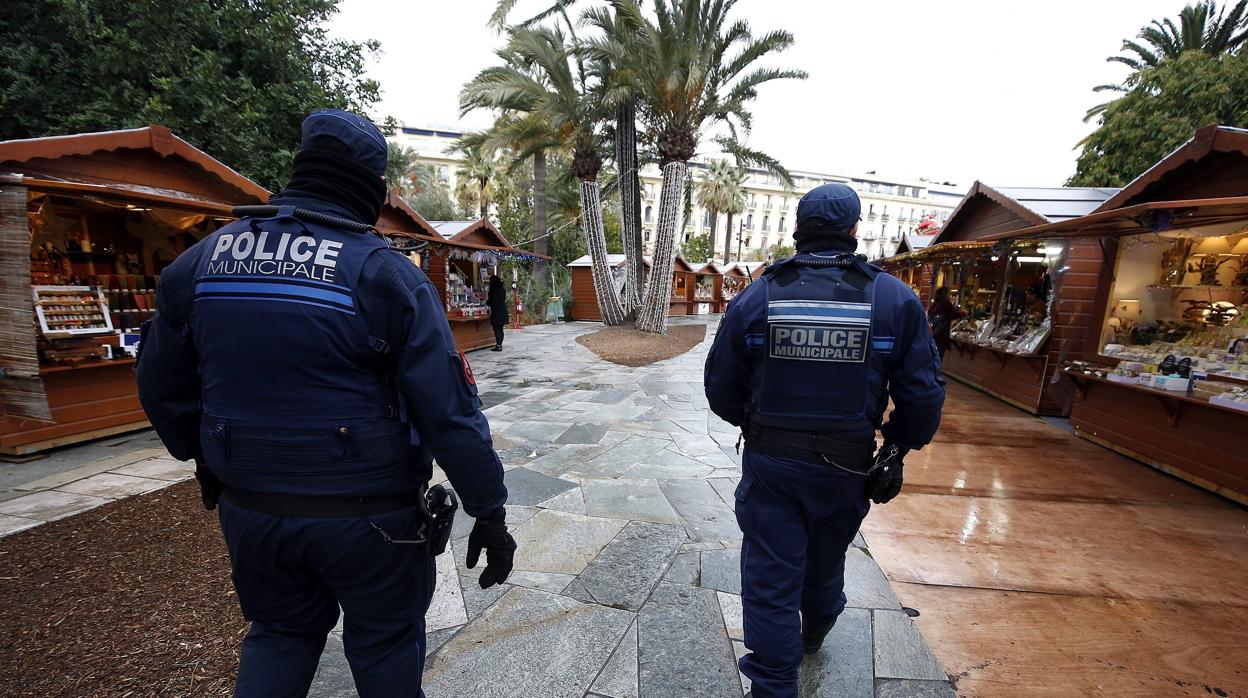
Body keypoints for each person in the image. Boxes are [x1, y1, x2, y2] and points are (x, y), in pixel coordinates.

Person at [136, 108, 516, 698]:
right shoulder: (386, 277)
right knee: (386, 645)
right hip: (371, 518)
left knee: (279, 635)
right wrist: (489, 511)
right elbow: (450, 413)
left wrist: (206, 458)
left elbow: (162, 386)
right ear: (371, 190)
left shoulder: (199, 263)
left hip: (253, 510)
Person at [704, 183, 945, 698]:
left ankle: (774, 685)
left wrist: (757, 425)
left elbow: (720, 387)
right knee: (826, 557)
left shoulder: (759, 295)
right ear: (854, 230)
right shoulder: (893, 298)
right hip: (847, 468)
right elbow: (922, 395)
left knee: (771, 579)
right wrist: (898, 447)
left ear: (798, 227)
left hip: (773, 466)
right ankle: (816, 626)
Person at [927, 286, 966, 359]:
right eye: (949, 294)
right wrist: (963, 313)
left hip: (932, 336)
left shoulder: (935, 304)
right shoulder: (946, 304)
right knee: (938, 359)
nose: (950, 295)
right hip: (941, 336)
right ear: (946, 294)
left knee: (931, 359)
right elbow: (955, 315)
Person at [487, 274, 509, 351]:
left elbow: (493, 301)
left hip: (496, 311)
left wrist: (487, 302)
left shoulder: (493, 290)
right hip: (503, 310)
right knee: (500, 328)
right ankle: (500, 344)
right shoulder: (502, 289)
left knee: (496, 329)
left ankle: (498, 345)